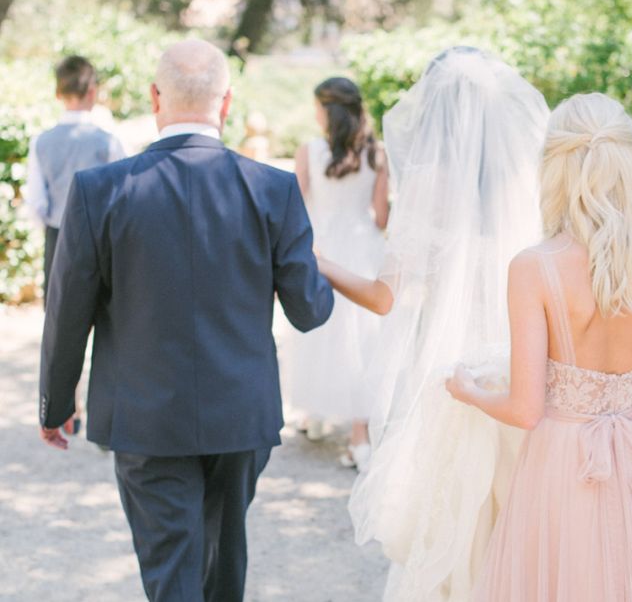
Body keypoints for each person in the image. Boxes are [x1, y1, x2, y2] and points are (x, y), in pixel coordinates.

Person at [38, 39, 334, 602]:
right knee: (223, 570)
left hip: (144, 416)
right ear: (226, 104)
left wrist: (56, 404)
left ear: (155, 97)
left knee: (172, 571)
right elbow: (309, 311)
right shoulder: (273, 189)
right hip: (241, 415)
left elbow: (66, 311)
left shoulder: (98, 191)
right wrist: (323, 268)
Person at [446, 93, 632, 601]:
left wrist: (468, 392)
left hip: (563, 463)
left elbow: (526, 409)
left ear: (554, 167)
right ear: (631, 164)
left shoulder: (534, 267)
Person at [317, 47, 549, 600]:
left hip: (456, 373)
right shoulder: (526, 174)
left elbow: (382, 297)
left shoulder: (433, 185)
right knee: (520, 514)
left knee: (454, 523)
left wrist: (317, 261)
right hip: (524, 363)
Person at [281, 77, 388, 469]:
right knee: (361, 337)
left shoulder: (310, 151)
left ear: (326, 110)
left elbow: (294, 205)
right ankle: (361, 436)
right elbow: (381, 217)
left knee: (321, 329)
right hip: (362, 248)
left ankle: (315, 414)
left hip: (321, 247)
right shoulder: (376, 153)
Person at [26, 55, 125, 303]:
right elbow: (123, 195)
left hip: (57, 237)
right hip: (99, 239)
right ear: (92, 92)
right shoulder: (109, 141)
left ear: (57, 94)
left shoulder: (41, 142)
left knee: (58, 320)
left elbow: (36, 202)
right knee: (103, 312)